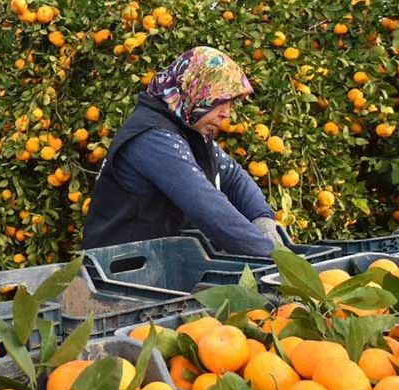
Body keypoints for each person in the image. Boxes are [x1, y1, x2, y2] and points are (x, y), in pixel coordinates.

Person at [83, 46, 282, 256]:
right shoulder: (152, 138)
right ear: (196, 90)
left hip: (157, 262)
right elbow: (207, 207)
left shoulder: (187, 129)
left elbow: (233, 176)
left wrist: (262, 219)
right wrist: (275, 256)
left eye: (231, 105)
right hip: (121, 270)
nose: (226, 115)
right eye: (219, 101)